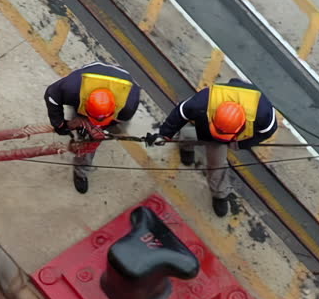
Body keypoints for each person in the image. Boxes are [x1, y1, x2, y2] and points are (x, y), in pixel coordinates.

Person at [146, 78, 277, 217]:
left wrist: (240, 144)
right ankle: (185, 147)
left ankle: (219, 194)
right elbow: (181, 112)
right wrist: (164, 135)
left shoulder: (263, 113)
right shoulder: (203, 101)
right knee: (187, 134)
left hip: (225, 137)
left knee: (217, 167)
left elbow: (267, 132)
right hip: (207, 127)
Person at [44, 62, 141, 194]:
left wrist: (102, 130)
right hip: (90, 77)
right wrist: (59, 123)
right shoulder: (73, 89)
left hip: (121, 84)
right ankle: (81, 172)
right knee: (85, 143)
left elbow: (120, 120)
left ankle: (102, 133)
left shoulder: (127, 105)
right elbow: (51, 96)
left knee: (113, 132)